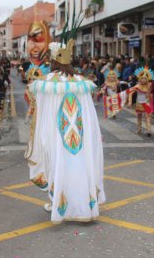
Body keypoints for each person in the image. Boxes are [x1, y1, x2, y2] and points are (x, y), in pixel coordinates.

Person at [26, 38, 105, 223]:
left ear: (53, 60)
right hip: (80, 136)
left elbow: (42, 114)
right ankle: (84, 206)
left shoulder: (46, 82)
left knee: (57, 165)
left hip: (56, 134)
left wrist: (41, 137)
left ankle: (58, 204)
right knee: (80, 166)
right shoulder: (81, 81)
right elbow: (89, 115)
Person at [128, 67, 154, 137]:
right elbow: (130, 93)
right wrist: (130, 101)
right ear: (140, 79)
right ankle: (139, 128)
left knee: (148, 117)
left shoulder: (149, 85)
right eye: (142, 79)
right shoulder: (137, 86)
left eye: (145, 79)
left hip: (146, 103)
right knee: (139, 116)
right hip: (139, 103)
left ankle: (148, 130)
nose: (143, 80)